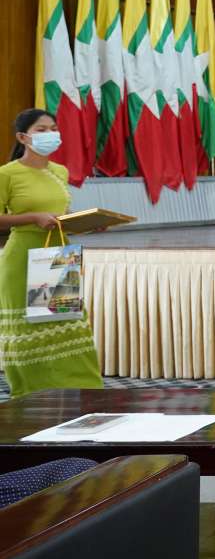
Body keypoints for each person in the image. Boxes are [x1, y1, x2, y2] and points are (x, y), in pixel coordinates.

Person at [0, 109, 105, 399]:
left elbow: (60, 214)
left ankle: (83, 391)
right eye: (42, 129)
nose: (50, 134)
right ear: (23, 137)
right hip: (22, 257)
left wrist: (88, 222)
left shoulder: (59, 171)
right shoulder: (7, 174)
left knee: (66, 323)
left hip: (57, 253)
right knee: (29, 328)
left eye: (54, 128)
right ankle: (29, 396)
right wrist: (32, 217)